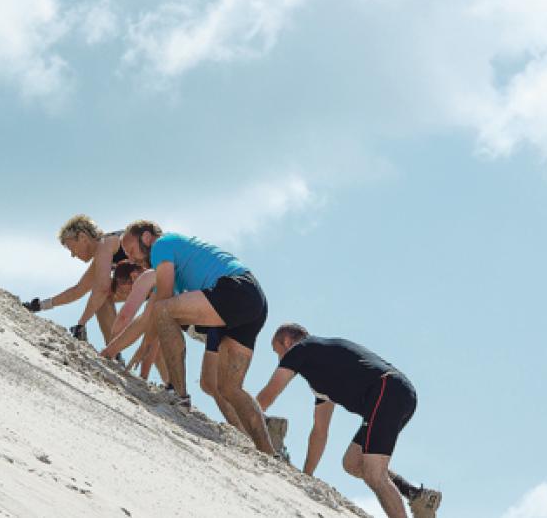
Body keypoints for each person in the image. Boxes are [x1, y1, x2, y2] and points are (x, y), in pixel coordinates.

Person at [120, 220, 277, 456]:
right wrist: (145, 343)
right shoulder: (174, 261)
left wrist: (145, 345)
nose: (131, 260)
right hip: (254, 301)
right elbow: (159, 314)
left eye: (131, 251)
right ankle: (269, 453)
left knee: (164, 310)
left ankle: (179, 394)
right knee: (229, 387)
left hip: (235, 289)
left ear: (146, 237)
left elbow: (160, 305)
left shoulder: (162, 244)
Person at [257, 323, 441, 518]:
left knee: (374, 474)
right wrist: (306, 476)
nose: (279, 359)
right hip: (397, 395)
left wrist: (244, 419)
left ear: (286, 342)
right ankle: (415, 494)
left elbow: (269, 394)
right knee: (353, 462)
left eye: (277, 352)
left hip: (387, 390)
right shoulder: (320, 375)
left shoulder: (301, 348)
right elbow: (320, 431)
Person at [22, 215, 127, 346]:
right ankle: (114, 351)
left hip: (155, 280)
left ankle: (113, 351)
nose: (72, 255)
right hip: (149, 284)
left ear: (83, 238)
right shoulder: (102, 254)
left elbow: (102, 288)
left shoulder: (105, 244)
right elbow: (79, 289)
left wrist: (81, 324)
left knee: (102, 293)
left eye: (72, 248)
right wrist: (41, 305)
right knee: (102, 299)